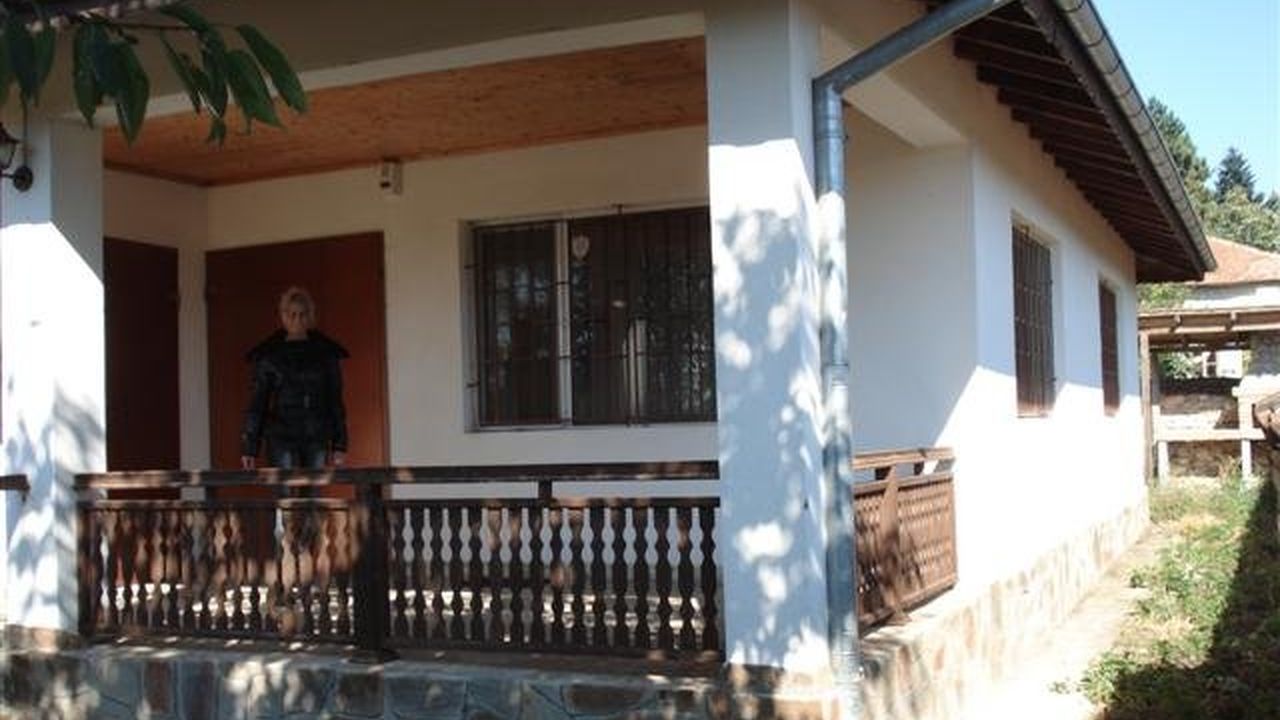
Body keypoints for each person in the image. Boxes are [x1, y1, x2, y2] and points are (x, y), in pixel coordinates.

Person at [240, 287, 349, 470]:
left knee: (312, 487)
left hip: (317, 434)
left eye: (302, 314)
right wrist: (250, 447)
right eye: (292, 314)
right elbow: (258, 403)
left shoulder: (325, 353)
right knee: (285, 486)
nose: (297, 319)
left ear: (310, 316)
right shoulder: (270, 354)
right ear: (283, 316)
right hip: (281, 435)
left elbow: (335, 399)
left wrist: (340, 444)